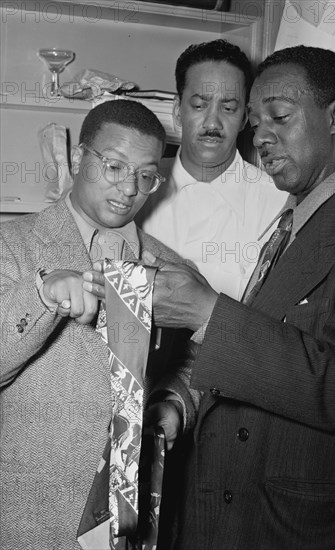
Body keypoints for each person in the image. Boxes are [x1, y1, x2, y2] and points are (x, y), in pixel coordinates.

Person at [129, 46, 335, 549]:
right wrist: (179, 402)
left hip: (303, 524)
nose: (260, 136)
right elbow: (262, 357)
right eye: (257, 121)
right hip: (229, 508)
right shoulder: (293, 220)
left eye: (278, 117)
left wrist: (206, 312)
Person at [0, 100, 197, 550]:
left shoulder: (174, 271)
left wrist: (177, 402)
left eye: (146, 175)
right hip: (29, 521)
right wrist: (42, 293)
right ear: (77, 159)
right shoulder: (10, 246)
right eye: (113, 166)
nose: (129, 188)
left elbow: (198, 359)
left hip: (138, 524)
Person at [136, 39, 286, 300]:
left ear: (244, 119)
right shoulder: (135, 186)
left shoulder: (278, 204)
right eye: (199, 105)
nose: (213, 122)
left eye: (228, 108)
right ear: (177, 111)